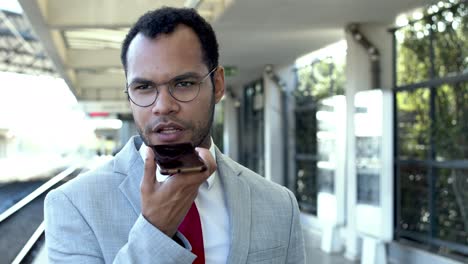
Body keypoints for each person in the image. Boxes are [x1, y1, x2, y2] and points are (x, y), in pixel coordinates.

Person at [44, 7, 305, 263]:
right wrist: (155, 230)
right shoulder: (74, 204)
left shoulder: (279, 205)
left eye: (183, 84)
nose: (163, 105)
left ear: (217, 85)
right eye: (144, 87)